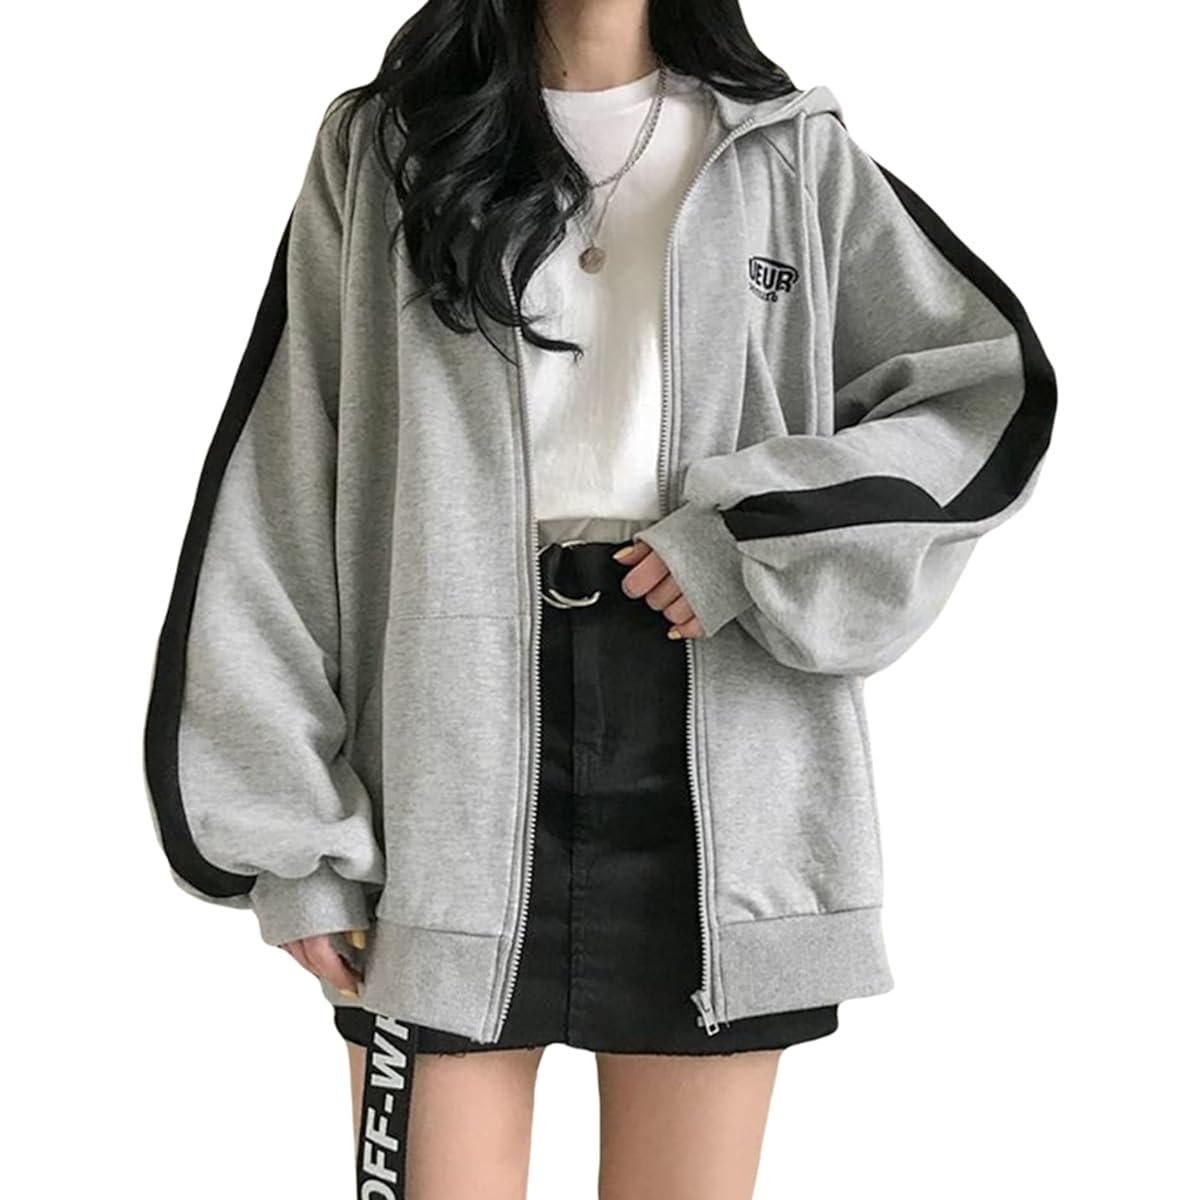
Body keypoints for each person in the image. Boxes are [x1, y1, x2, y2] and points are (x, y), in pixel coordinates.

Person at [141, 1, 1057, 1195]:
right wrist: (294, 839)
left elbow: (983, 396)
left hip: (720, 756)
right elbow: (281, 485)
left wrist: (746, 535)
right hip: (442, 764)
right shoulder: (387, 148)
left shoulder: (790, 152)